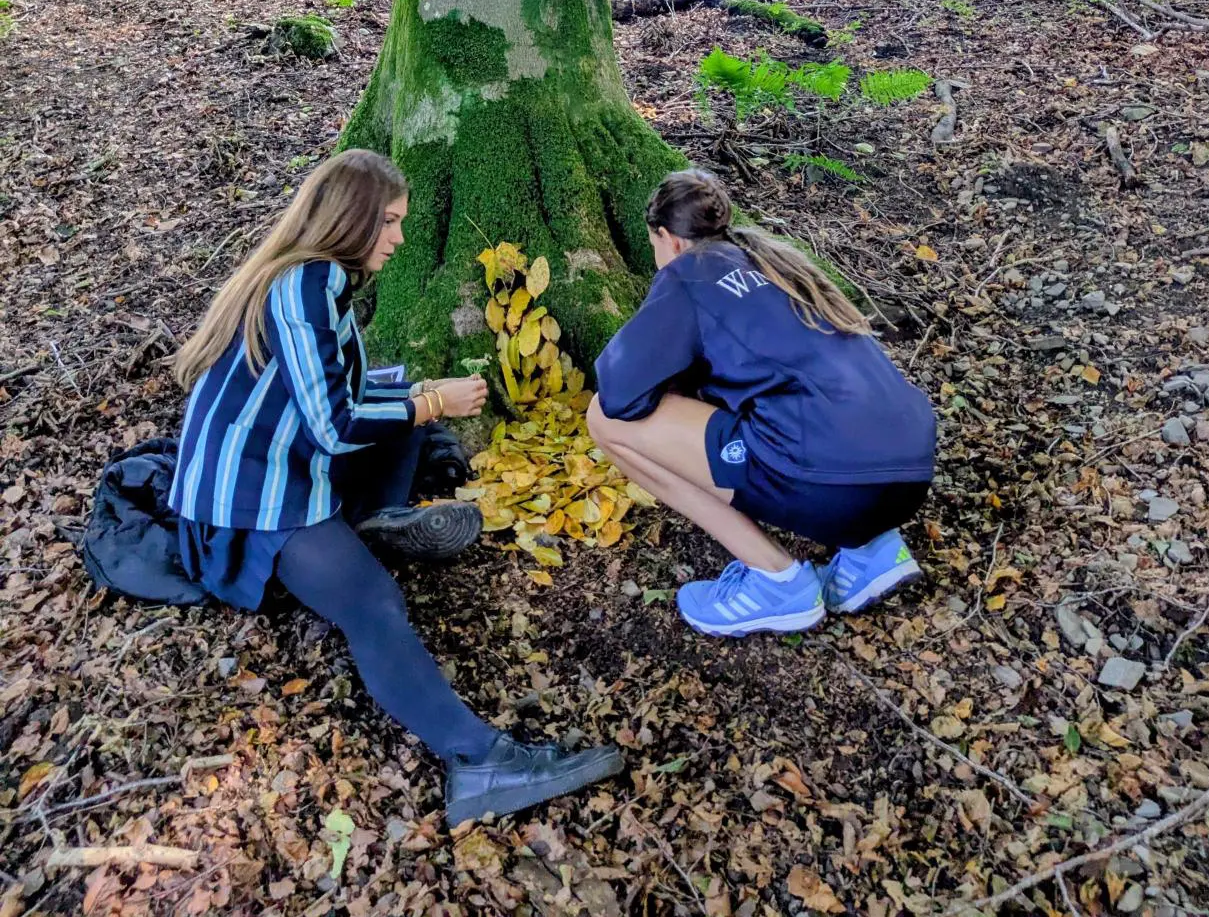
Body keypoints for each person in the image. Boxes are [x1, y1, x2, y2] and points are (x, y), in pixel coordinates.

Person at [169, 149, 622, 825]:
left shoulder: (316, 280)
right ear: (349, 217)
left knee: (403, 398)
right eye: (388, 221)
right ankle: (479, 762)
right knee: (373, 602)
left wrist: (419, 396)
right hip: (251, 499)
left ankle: (376, 518)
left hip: (281, 466)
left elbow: (345, 394)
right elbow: (335, 422)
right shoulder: (308, 281)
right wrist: (432, 402)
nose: (400, 238)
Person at [588, 170, 936, 638]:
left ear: (669, 240)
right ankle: (870, 551)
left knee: (604, 420)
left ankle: (777, 581)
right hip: (911, 473)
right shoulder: (773, 260)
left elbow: (619, 392)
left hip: (834, 482)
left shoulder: (688, 276)